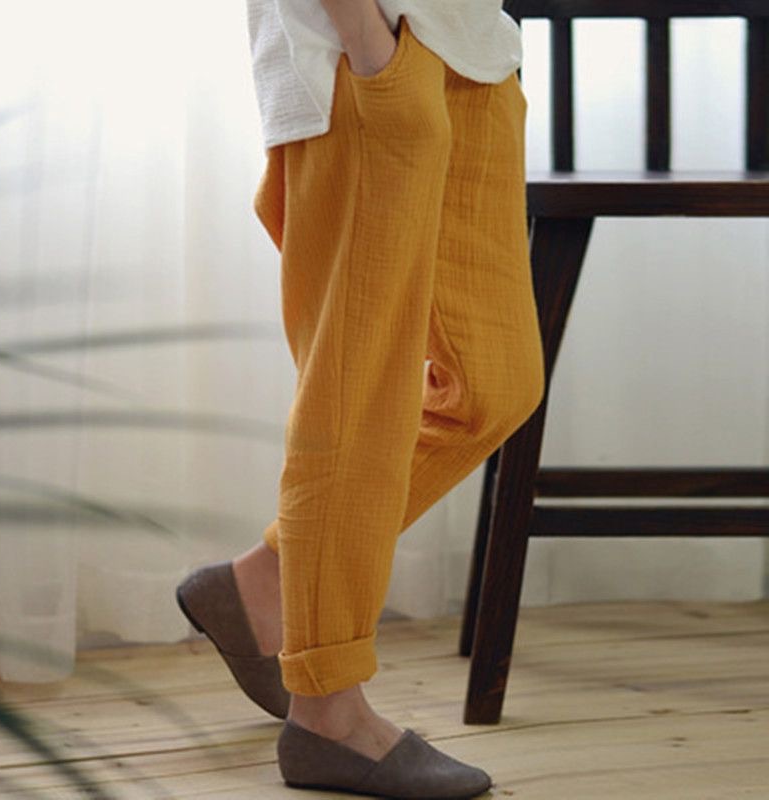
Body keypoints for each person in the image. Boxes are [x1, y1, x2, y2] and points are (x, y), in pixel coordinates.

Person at [176, 2, 545, 797]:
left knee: (495, 385)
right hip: (359, 56)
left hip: (477, 54)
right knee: (356, 397)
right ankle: (329, 716)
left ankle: (263, 586)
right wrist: (370, 48)